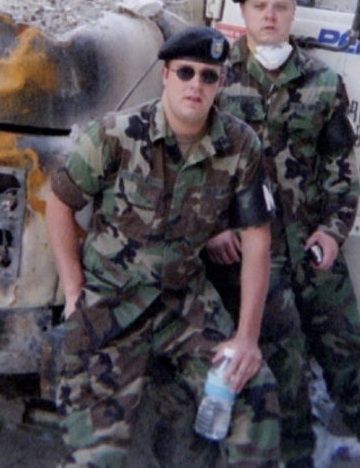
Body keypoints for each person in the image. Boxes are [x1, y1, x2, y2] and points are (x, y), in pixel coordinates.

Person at [47, 26, 281, 468]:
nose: (196, 84)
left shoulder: (239, 145)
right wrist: (74, 289)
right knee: (99, 457)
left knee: (256, 397)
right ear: (166, 76)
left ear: (221, 83)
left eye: (209, 76)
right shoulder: (117, 135)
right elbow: (59, 202)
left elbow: (257, 239)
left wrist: (246, 338)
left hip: (185, 302)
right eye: (186, 72)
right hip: (111, 301)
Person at [205, 0, 360, 468]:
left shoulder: (321, 82)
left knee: (344, 344)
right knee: (282, 359)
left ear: (292, 13)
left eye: (280, 8)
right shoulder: (215, 79)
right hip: (254, 254)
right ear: (244, 15)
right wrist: (214, 229)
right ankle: (295, 454)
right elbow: (198, 167)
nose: (270, 16)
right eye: (259, 8)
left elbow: (342, 168)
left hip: (312, 244)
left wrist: (335, 232)